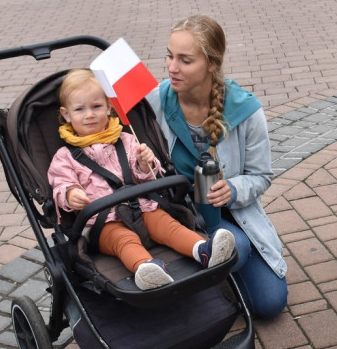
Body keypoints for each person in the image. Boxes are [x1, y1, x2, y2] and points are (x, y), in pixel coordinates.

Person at [147, 15, 288, 319]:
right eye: (170, 56)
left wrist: (234, 189)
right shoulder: (156, 101)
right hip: (175, 216)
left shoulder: (245, 110)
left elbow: (261, 176)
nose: (172, 67)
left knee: (270, 302)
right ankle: (204, 276)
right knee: (235, 249)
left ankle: (207, 273)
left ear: (211, 64)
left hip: (226, 219)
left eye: (185, 60)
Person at [48, 70, 235, 291]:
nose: (89, 115)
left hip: (142, 208)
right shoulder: (64, 157)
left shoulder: (126, 140)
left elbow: (147, 177)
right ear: (66, 114)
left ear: (109, 107)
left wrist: (144, 164)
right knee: (124, 240)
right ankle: (146, 268)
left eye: (96, 107)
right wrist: (70, 194)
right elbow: (60, 183)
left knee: (168, 225)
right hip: (104, 223)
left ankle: (203, 250)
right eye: (80, 109)